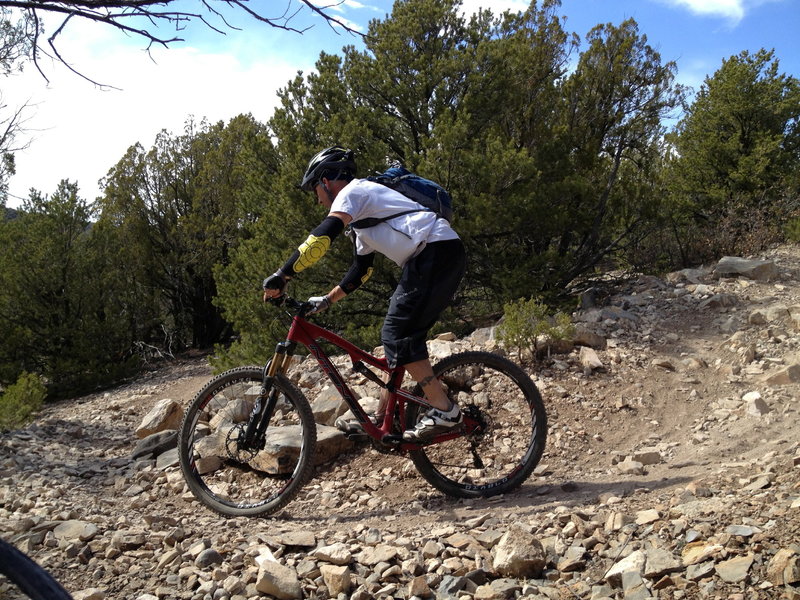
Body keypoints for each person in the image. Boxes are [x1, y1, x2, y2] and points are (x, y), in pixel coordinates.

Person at [262, 146, 466, 442]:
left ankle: (445, 412)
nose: (318, 199)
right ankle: (386, 421)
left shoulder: (354, 192)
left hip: (435, 252)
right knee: (398, 340)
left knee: (397, 332)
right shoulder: (362, 220)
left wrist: (283, 274)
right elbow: (361, 271)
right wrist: (327, 300)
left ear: (326, 181)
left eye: (315, 191)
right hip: (433, 255)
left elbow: (323, 236)